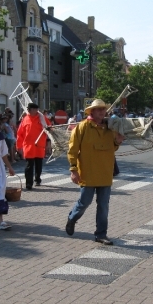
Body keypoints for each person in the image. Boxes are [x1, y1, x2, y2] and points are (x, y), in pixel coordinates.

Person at [65, 99, 124, 245]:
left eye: (103, 109)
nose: (102, 112)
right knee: (85, 202)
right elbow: (72, 150)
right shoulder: (82, 127)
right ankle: (72, 217)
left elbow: (112, 147)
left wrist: (117, 141)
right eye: (98, 109)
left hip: (105, 172)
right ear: (91, 112)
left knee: (103, 206)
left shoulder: (110, 128)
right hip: (87, 172)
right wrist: (73, 169)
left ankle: (101, 234)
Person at [16, 102, 49, 190]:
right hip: (28, 146)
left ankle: (37, 179)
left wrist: (49, 141)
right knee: (29, 165)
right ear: (29, 110)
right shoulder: (25, 119)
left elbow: (49, 128)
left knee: (39, 165)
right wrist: (19, 146)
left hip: (39, 145)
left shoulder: (42, 118)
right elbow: (20, 134)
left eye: (36, 109)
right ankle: (29, 183)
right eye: (33, 109)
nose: (35, 111)